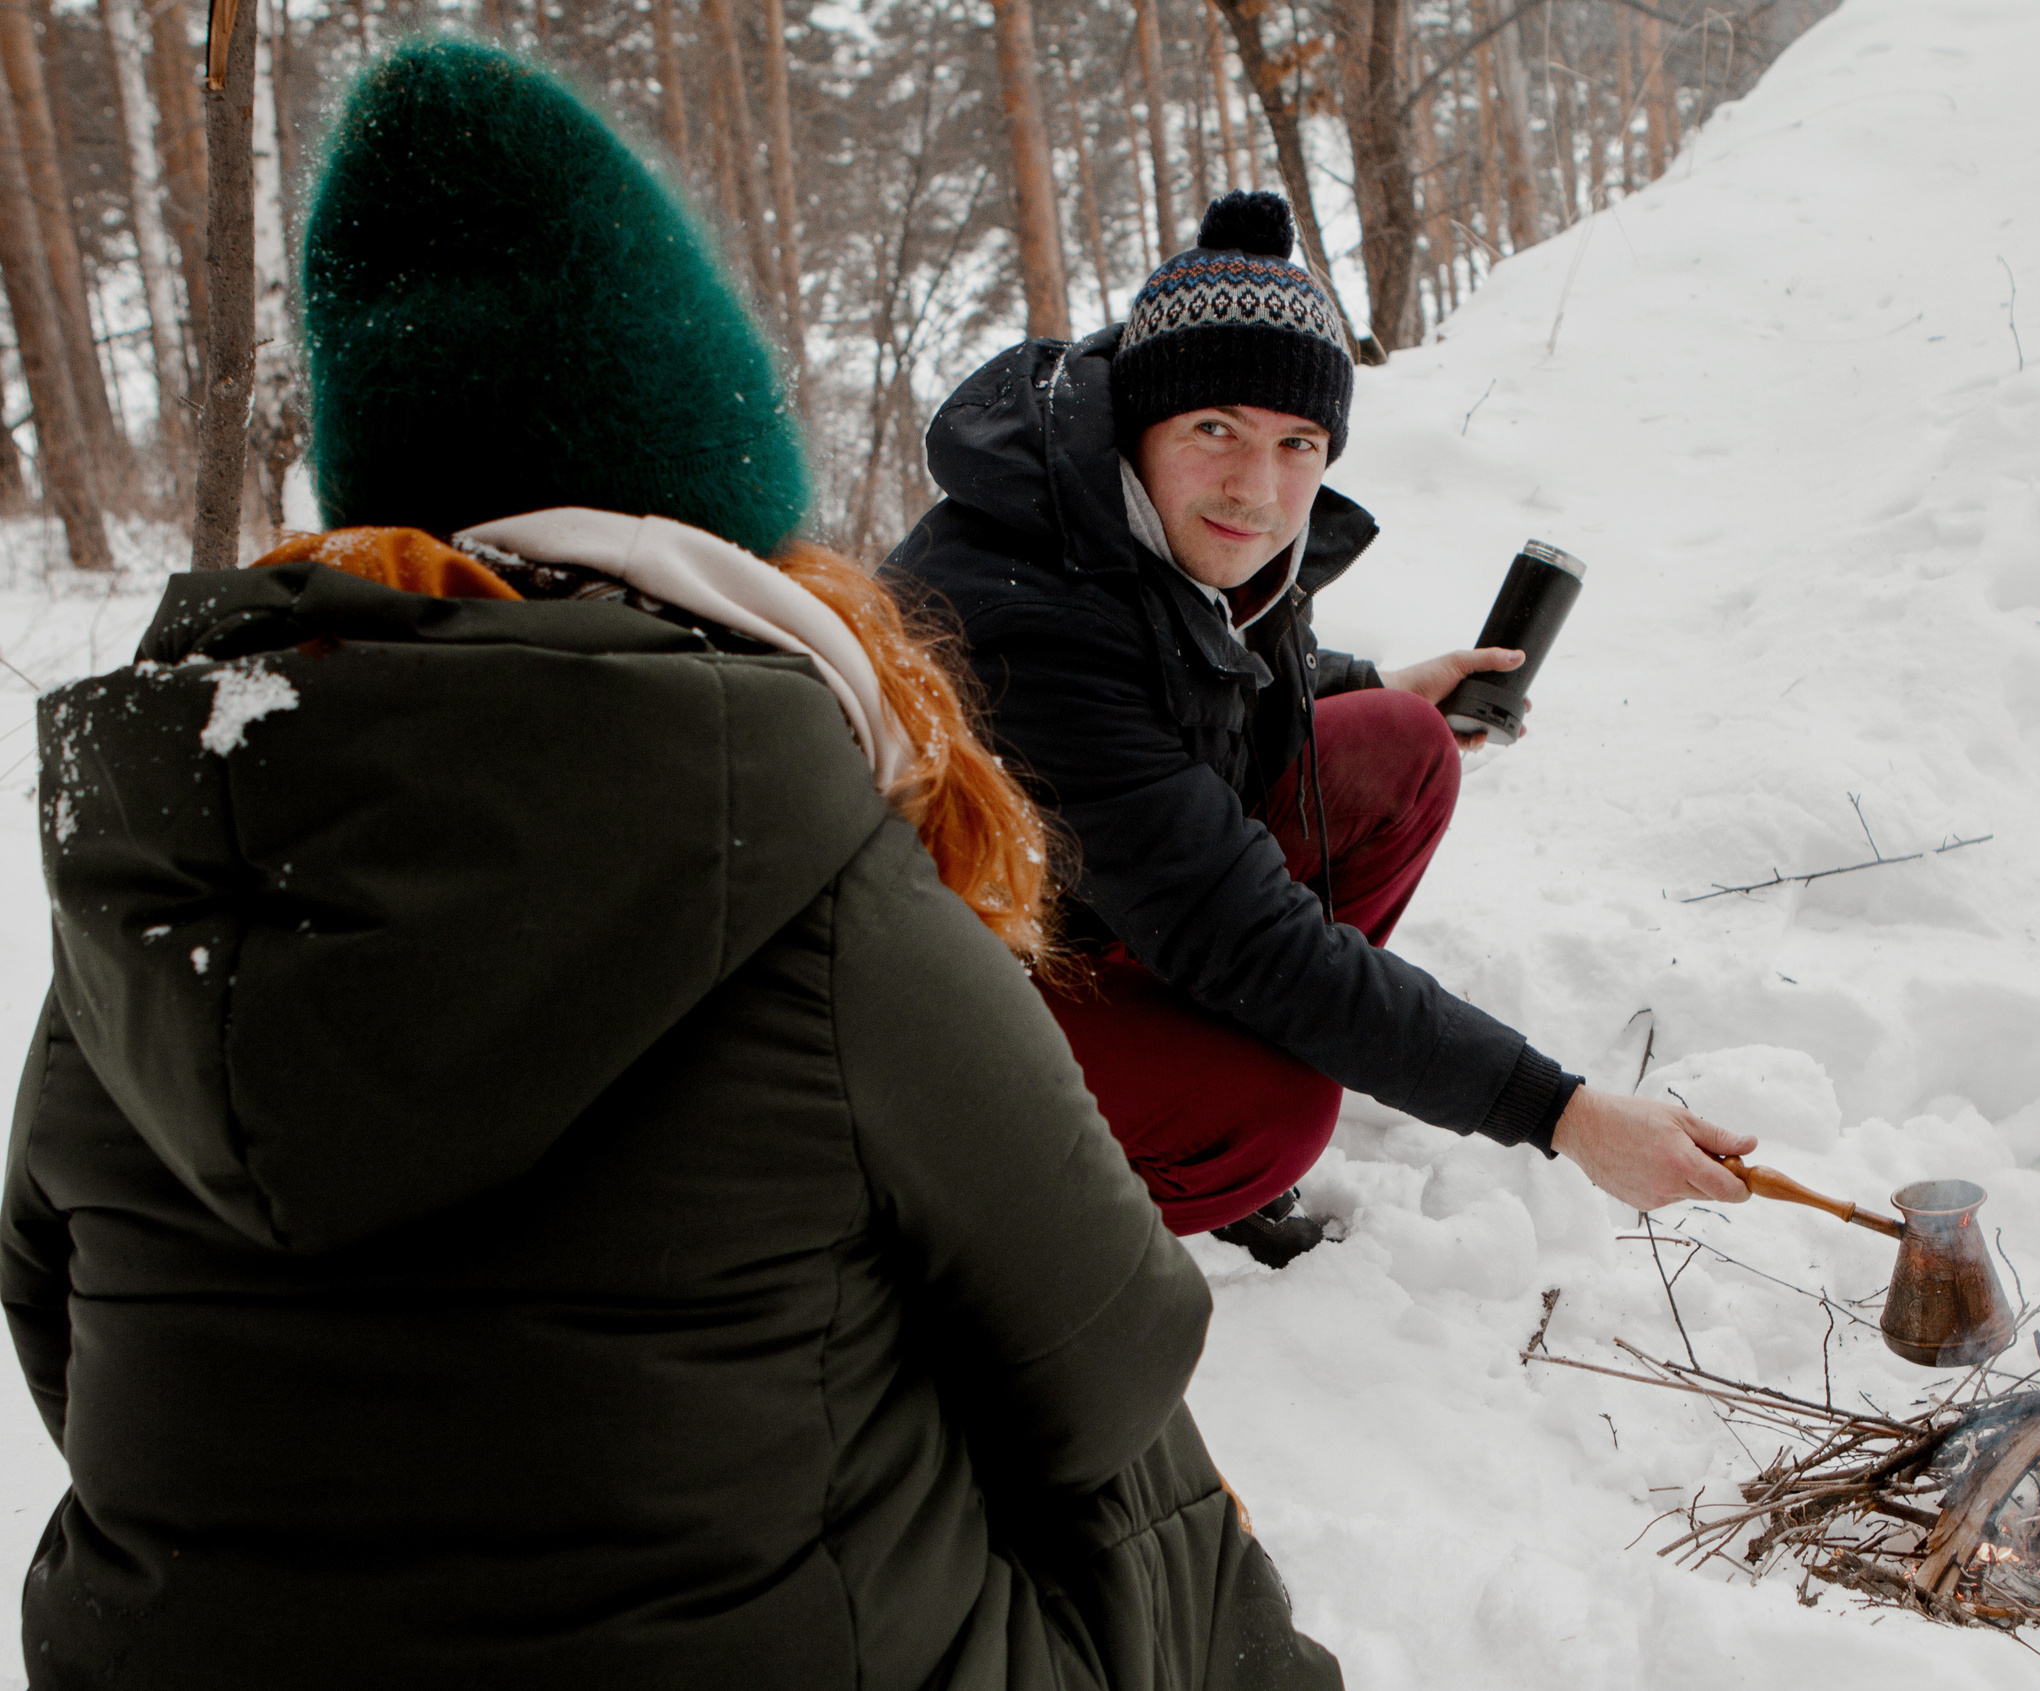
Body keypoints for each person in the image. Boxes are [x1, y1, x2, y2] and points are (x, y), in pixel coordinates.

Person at [2, 44, 1336, 1690]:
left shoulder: (174, 862)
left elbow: (57, 1320)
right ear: (715, 519)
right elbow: (1114, 1341)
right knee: (1153, 1494)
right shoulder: (796, 831)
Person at [888, 192, 1757, 1265]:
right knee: (1272, 1113)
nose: (1257, 488)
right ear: (1137, 422)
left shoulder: (1169, 528)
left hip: (1084, 899)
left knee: (1400, 743)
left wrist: (1381, 681)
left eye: (1298, 441)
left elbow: (1194, 672)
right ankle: (1005, 1241)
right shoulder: (1024, 611)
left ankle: (1212, 1052)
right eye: (1215, 428)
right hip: (922, 1016)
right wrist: (1563, 1112)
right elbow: (1241, 926)